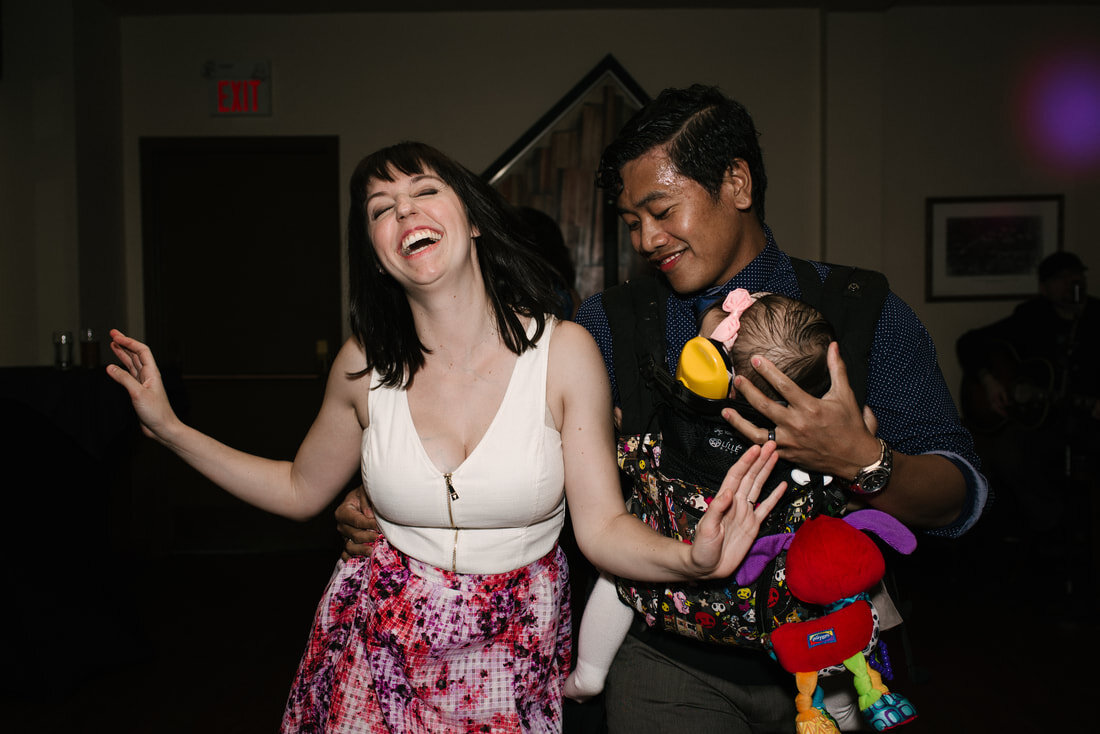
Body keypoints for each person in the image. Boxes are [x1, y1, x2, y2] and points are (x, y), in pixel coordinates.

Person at [337, 87, 988, 733]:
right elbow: (509, 452)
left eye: (661, 209)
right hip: (665, 661)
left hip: (836, 662)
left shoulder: (859, 309)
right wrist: (393, 498)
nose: (646, 238)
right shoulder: (606, 326)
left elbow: (960, 496)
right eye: (629, 221)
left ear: (737, 183)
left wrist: (864, 462)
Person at [107, 140, 789, 734]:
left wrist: (689, 561)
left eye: (423, 192)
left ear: (473, 224)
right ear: (376, 255)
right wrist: (169, 429)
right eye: (380, 209)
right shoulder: (360, 363)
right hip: (372, 648)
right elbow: (296, 488)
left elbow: (602, 527)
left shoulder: (565, 353)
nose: (403, 212)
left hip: (510, 656)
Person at [564, 289, 835, 703]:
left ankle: (589, 671)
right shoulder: (798, 444)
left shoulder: (682, 420)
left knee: (615, 575)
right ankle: (836, 698)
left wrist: (616, 434)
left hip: (663, 577)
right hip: (770, 600)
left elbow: (635, 456)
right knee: (824, 596)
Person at [956, 251, 1099, 592]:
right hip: (1040, 426)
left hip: (1083, 424)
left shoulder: (1096, 320)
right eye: (1063, 280)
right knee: (997, 451)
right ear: (1046, 287)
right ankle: (1042, 535)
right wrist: (989, 380)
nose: (1072, 285)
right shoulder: (1032, 317)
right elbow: (970, 342)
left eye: (1077, 277)